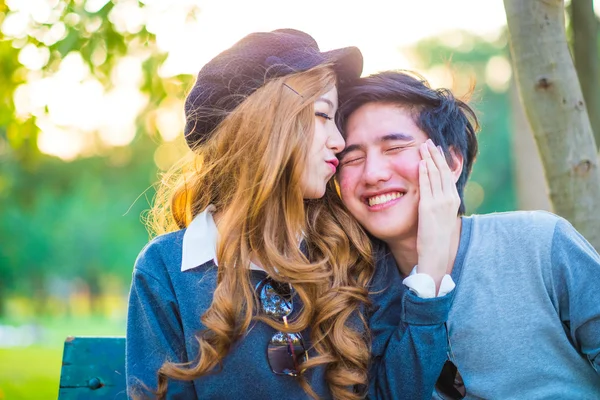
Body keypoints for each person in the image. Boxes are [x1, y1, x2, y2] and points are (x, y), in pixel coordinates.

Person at [126, 30, 454, 400]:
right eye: (322, 115)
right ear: (263, 124)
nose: (339, 142)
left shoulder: (356, 252)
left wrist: (430, 276)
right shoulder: (166, 268)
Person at [336, 70, 600, 399]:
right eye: (353, 158)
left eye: (394, 148)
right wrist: (429, 274)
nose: (372, 173)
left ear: (451, 162)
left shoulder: (540, 244)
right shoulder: (347, 301)